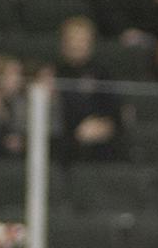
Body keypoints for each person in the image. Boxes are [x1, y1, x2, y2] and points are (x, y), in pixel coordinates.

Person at [55, 16, 129, 163]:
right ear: (63, 43)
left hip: (101, 145)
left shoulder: (103, 73)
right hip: (64, 143)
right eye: (73, 39)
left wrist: (104, 125)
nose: (77, 45)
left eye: (82, 40)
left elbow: (117, 111)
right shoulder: (53, 73)